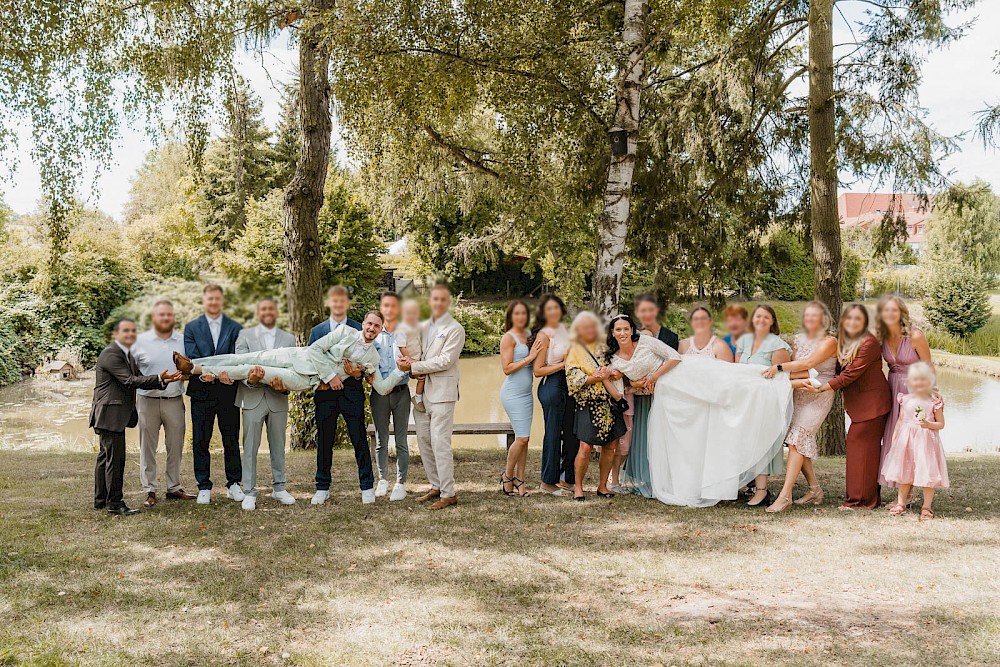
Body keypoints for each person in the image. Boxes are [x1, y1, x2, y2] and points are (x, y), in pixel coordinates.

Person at [177, 310, 404, 504]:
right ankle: (198, 365)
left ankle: (195, 370)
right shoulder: (345, 332)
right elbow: (315, 349)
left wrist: (400, 370)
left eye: (377, 326)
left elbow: (382, 387)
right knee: (252, 356)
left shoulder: (372, 358)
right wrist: (332, 375)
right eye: (370, 323)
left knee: (256, 369)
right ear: (363, 324)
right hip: (297, 356)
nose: (372, 328)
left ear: (381, 329)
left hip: (304, 379)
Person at [91, 319, 183, 515]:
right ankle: (115, 504)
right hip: (110, 413)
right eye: (126, 331)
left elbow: (141, 379)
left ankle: (101, 500)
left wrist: (162, 380)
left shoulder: (127, 355)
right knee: (115, 460)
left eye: (133, 331)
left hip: (110, 413)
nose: (131, 334)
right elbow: (130, 381)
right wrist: (159, 377)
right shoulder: (112, 354)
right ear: (115, 334)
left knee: (105, 457)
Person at [806, 303, 892, 510]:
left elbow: (850, 373)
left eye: (858, 319)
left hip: (873, 405)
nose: (853, 322)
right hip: (860, 406)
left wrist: (824, 388)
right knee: (864, 452)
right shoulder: (845, 343)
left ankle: (858, 501)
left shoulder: (868, 342)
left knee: (862, 451)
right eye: (849, 318)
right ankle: (867, 499)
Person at [761, 301, 838, 513]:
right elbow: (796, 369)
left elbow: (807, 364)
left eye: (816, 316)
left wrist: (777, 367)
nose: (811, 319)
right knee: (797, 442)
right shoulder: (797, 339)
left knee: (797, 438)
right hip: (799, 391)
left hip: (819, 393)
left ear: (824, 319)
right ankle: (815, 490)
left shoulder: (830, 341)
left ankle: (785, 496)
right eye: (808, 315)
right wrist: (786, 378)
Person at [397, 283, 466, 510]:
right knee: (424, 441)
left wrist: (415, 367)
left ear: (448, 302)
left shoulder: (455, 329)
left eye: (442, 300)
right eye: (434, 299)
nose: (437, 303)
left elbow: (446, 361)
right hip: (422, 393)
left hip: (443, 394)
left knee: (440, 443)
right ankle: (435, 485)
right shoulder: (423, 326)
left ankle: (449, 493)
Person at [607, 313, 682, 496]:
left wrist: (654, 377)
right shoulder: (614, 360)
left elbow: (674, 356)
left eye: (626, 328)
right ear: (612, 332)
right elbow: (626, 387)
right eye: (618, 329)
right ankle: (657, 480)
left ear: (632, 330)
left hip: (673, 385)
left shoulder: (646, 342)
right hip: (649, 398)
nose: (623, 333)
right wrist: (635, 384)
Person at [233, 298, 297, 511]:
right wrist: (249, 380)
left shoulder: (288, 339)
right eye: (263, 308)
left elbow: (293, 369)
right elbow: (239, 366)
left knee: (278, 445)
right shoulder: (245, 336)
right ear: (258, 312)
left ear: (276, 312)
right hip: (252, 397)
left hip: (278, 398)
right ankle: (249, 491)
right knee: (250, 446)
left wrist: (284, 386)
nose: (267, 312)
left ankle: (279, 488)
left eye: (271, 308)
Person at [132, 300, 195, 507]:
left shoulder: (183, 340)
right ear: (154, 317)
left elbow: (191, 368)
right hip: (147, 400)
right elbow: (132, 374)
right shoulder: (139, 341)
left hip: (174, 400)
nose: (166, 318)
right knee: (147, 447)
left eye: (169, 314)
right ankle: (149, 489)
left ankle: (173, 487)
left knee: (175, 445)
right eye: (161, 315)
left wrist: (186, 375)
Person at [183, 284, 243, 505]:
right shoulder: (191, 328)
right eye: (210, 299)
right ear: (204, 300)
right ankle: (204, 486)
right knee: (201, 440)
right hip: (201, 391)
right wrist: (204, 373)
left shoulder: (236, 327)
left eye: (217, 299)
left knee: (231, 439)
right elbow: (192, 358)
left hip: (228, 390)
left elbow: (238, 358)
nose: (213, 302)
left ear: (222, 301)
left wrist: (227, 375)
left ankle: (234, 484)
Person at [309, 286, 363, 506]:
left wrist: (356, 374)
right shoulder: (317, 331)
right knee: (324, 442)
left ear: (347, 303)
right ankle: (322, 487)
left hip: (351, 393)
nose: (338, 304)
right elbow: (311, 360)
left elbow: (366, 364)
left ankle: (366, 486)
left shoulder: (358, 329)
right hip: (325, 394)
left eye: (342, 301)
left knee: (359, 440)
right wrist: (327, 378)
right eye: (334, 300)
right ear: (328, 302)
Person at [735, 304, 791, 507]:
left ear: (772, 321)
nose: (761, 320)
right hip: (744, 401)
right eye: (758, 316)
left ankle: (762, 491)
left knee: (760, 442)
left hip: (765, 402)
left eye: (766, 317)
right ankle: (743, 484)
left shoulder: (778, 345)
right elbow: (736, 371)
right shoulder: (743, 341)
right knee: (744, 442)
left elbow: (781, 379)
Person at [565, 311, 625, 501]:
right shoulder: (574, 349)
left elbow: (619, 365)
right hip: (588, 404)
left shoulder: (605, 346)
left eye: (592, 326)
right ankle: (578, 487)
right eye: (585, 327)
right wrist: (595, 378)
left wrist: (614, 373)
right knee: (585, 446)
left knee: (611, 445)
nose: (589, 330)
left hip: (609, 403)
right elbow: (572, 378)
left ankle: (602, 486)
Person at [876, 295, 933, 491]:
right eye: (886, 310)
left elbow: (928, 365)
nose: (890, 314)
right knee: (893, 435)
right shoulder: (881, 336)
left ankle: (913, 490)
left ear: (901, 313)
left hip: (914, 389)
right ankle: (900, 490)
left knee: (912, 439)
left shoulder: (915, 336)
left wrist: (931, 392)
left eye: (894, 310)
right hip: (892, 388)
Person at [882, 362, 948, 520]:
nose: (919, 383)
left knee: (927, 473)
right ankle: (901, 503)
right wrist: (895, 437)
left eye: (923, 380)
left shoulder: (934, 401)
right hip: (907, 441)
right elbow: (900, 420)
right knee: (905, 472)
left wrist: (928, 424)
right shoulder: (905, 399)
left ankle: (927, 507)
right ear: (910, 382)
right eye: (916, 380)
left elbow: (941, 424)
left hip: (926, 442)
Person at [531, 294, 574, 496]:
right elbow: (538, 370)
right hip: (552, 385)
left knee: (571, 433)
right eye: (549, 309)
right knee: (553, 434)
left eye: (556, 308)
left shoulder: (564, 330)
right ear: (543, 313)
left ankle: (566, 478)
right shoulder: (543, 335)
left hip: (569, 384)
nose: (554, 312)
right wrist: (564, 365)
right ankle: (547, 482)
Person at [499, 300, 543, 497]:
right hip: (513, 393)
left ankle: (520, 481)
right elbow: (507, 368)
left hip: (527, 394)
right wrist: (530, 357)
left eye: (524, 313)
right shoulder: (508, 338)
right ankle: (507, 476)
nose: (521, 317)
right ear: (511, 316)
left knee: (524, 439)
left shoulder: (529, 336)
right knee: (522, 438)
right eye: (517, 313)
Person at [371, 291, 411, 502]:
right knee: (381, 439)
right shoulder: (374, 334)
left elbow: (412, 362)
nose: (390, 309)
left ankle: (400, 482)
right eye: (386, 305)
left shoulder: (405, 334)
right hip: (379, 394)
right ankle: (382, 479)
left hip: (401, 393)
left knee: (402, 440)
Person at [397, 299, 425, 413]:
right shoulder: (402, 328)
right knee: (422, 377)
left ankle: (420, 397)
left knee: (424, 377)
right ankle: (418, 399)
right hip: (407, 359)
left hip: (418, 358)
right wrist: (410, 360)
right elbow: (401, 346)